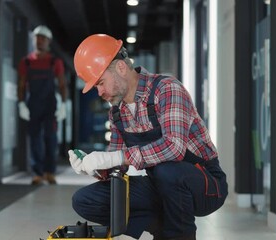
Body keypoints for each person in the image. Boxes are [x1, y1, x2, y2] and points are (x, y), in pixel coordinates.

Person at [68, 34, 228, 240]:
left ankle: (178, 235)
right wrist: (93, 165)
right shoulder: (117, 112)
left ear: (120, 68)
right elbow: (117, 167)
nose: (99, 92)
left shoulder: (167, 89)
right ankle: (164, 225)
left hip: (205, 184)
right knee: (85, 199)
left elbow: (174, 148)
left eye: (100, 83)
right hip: (161, 184)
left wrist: (117, 157)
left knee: (167, 170)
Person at [17, 25, 67, 185]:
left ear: (48, 41)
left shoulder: (55, 62)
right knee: (35, 139)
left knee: (50, 138)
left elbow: (62, 84)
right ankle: (37, 173)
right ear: (33, 40)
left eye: (43, 38)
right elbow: (22, 84)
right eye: (37, 38)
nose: (40, 41)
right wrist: (21, 104)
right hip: (33, 105)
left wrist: (63, 105)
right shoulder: (26, 62)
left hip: (50, 105)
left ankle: (49, 172)